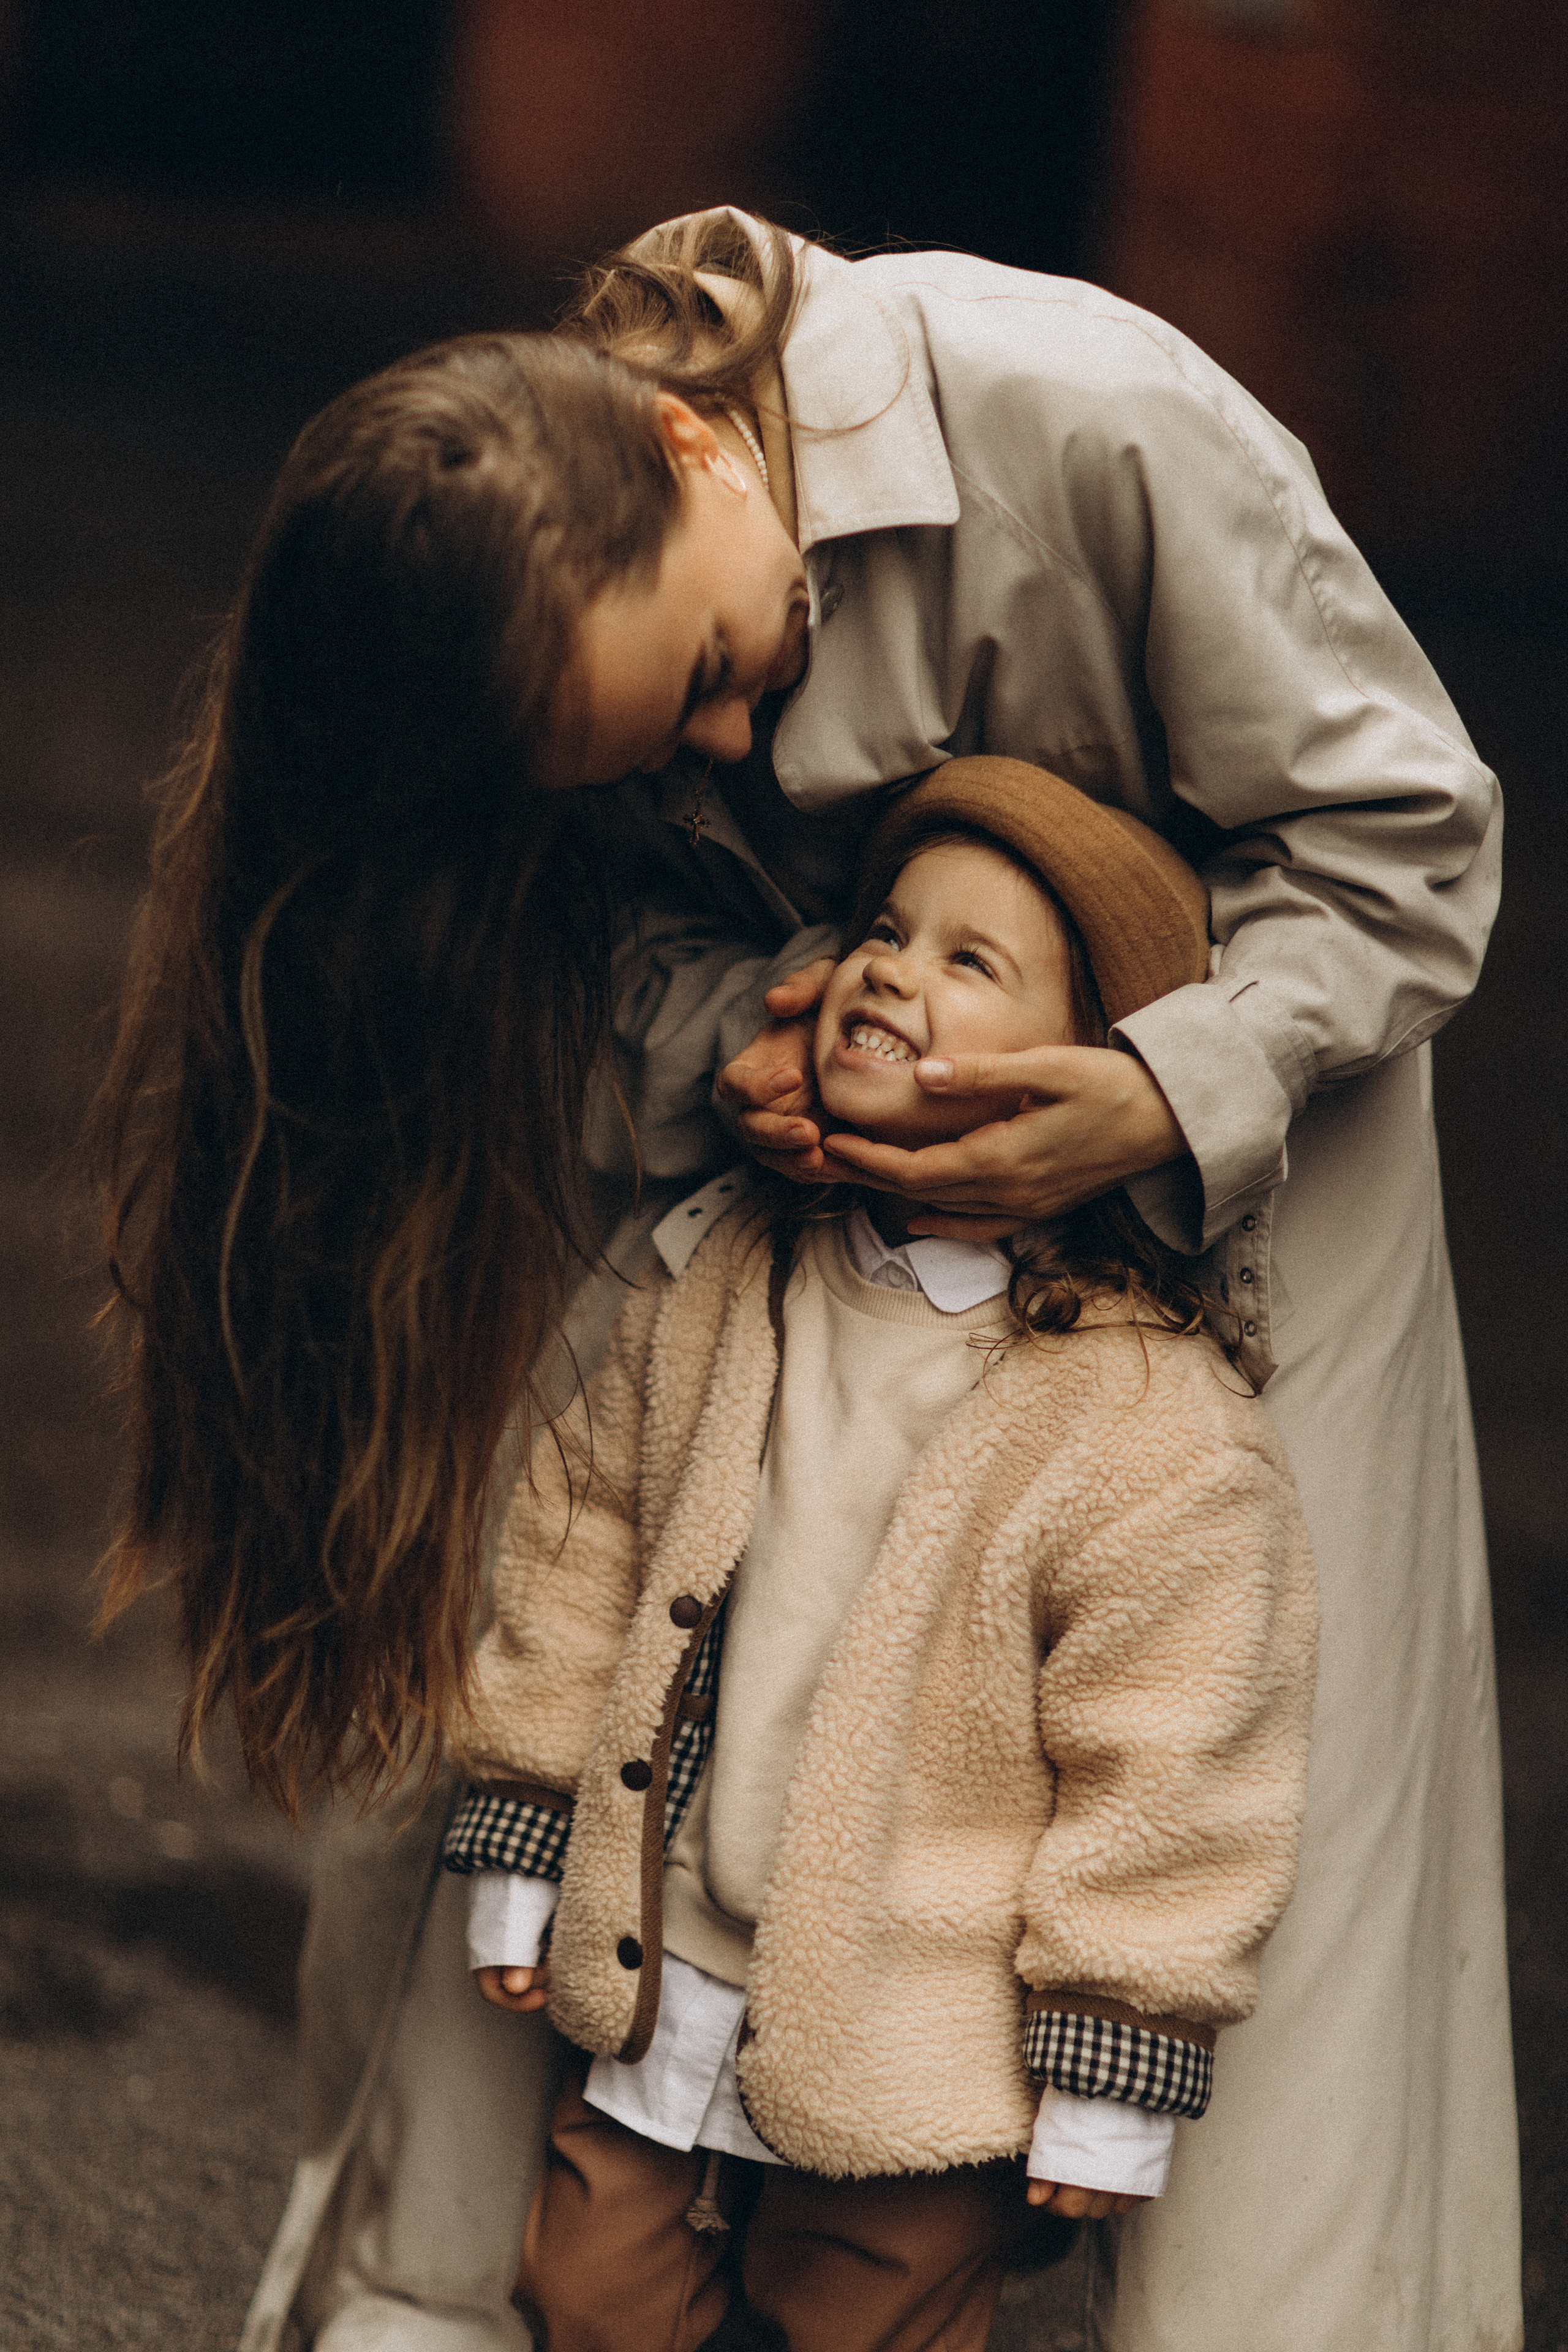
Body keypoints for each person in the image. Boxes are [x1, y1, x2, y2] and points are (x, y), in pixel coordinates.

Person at [89, 205, 1511, 2349]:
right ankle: (465, 2278)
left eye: (716, 681)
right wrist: (737, 1025)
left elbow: (1414, 845)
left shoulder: (1090, 422)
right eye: (660, 755)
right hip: (804, 1217)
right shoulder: (601, 646)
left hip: (1260, 1142)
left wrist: (1152, 1089)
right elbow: (623, 957)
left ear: (690, 446)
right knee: (613, 1584)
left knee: (1230, 1762)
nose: (729, 757)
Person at [442, 760, 1320, 2352]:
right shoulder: (725, 1279)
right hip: (676, 1945)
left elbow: (1183, 1755)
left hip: (923, 2026)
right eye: (886, 929)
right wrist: (520, 1834)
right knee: (587, 2284)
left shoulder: (1143, 1420)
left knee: (866, 2318)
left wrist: (1114, 2050)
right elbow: (583, 1544)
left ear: (1090, 1073)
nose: (892, 971)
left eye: (968, 963)